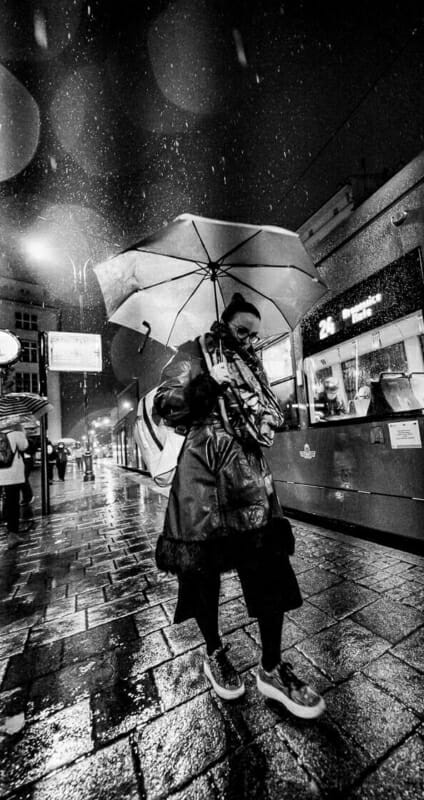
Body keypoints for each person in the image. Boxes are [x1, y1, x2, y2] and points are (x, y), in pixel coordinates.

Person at [154, 292, 325, 719]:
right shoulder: (194, 351)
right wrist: (207, 384)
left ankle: (272, 667)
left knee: (270, 566)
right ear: (224, 323)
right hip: (203, 476)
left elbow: (265, 411)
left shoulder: (252, 364)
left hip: (249, 475)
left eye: (254, 335)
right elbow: (164, 405)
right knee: (202, 572)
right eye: (242, 330)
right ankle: (214, 652)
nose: (248, 340)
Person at [0, 423, 30, 548]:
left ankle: (6, 523)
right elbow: (24, 446)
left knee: (6, 501)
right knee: (13, 503)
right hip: (13, 474)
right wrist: (23, 433)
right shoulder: (16, 433)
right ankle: (12, 535)